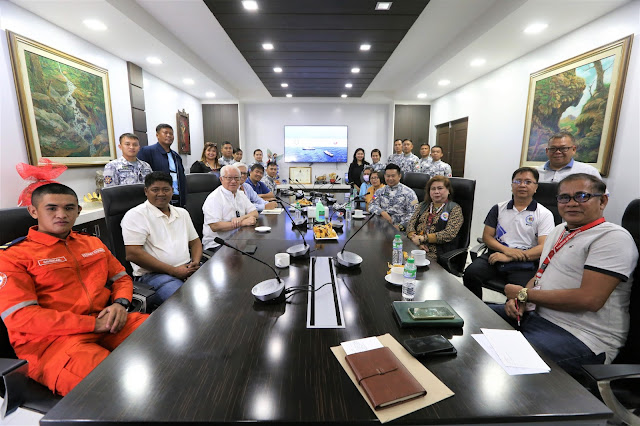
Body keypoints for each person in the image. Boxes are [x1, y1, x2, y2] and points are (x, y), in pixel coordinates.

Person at [0, 183, 148, 396]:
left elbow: (121, 278)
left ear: (78, 211)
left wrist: (121, 303)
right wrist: (91, 324)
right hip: (53, 344)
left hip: (107, 322)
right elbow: (22, 317)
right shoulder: (13, 257)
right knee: (117, 387)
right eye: (51, 208)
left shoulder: (92, 243)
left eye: (69, 208)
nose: (61, 214)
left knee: (164, 345)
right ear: (33, 211)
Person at [493, 174, 637, 383]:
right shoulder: (560, 230)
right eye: (564, 198)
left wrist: (524, 293)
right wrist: (520, 300)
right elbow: (540, 275)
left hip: (581, 336)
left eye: (581, 196)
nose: (571, 203)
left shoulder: (612, 238)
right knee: (472, 321)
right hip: (537, 316)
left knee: (500, 357)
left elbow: (589, 300)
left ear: (603, 201)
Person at [463, 167, 555, 299]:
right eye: (518, 181)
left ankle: (509, 317)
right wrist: (506, 250)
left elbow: (543, 247)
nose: (522, 185)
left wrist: (511, 257)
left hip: (525, 261)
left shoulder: (544, 214)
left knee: (518, 293)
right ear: (512, 186)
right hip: (496, 255)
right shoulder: (498, 208)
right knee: (470, 274)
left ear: (536, 187)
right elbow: (487, 237)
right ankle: (475, 309)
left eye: (528, 182)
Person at [121, 172, 202, 307]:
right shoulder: (135, 215)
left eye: (166, 189)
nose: (161, 194)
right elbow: (133, 254)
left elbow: (195, 242)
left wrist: (196, 262)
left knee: (217, 290)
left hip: (187, 267)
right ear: (146, 191)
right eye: (155, 190)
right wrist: (174, 271)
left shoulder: (182, 213)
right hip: (154, 275)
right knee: (186, 303)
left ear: (172, 190)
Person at [406, 176, 464, 261]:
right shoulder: (423, 205)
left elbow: (449, 233)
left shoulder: (454, 209)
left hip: (437, 252)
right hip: (416, 246)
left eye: (440, 188)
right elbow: (410, 224)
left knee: (412, 264)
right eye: (433, 189)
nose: (436, 192)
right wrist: (414, 239)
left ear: (448, 191)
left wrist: (423, 238)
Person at [202, 165, 259, 250]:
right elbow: (215, 226)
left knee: (259, 248)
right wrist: (242, 223)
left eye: (236, 178)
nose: (233, 181)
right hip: (218, 243)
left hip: (238, 238)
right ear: (221, 179)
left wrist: (241, 218)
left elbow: (254, 213)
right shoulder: (214, 198)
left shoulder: (240, 194)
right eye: (229, 178)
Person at [138, 123, 186, 206]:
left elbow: (182, 178)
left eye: (171, 134)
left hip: (177, 197)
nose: (169, 135)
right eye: (165, 133)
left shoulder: (176, 156)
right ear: (157, 135)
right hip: (158, 199)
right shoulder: (147, 151)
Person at [368, 164, 418, 231]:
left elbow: (414, 214)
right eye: (388, 176)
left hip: (401, 230)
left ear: (399, 176)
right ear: (384, 176)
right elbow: (372, 205)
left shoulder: (409, 193)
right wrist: (382, 212)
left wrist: (400, 226)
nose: (390, 179)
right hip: (382, 228)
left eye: (393, 176)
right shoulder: (379, 191)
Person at [537, 132, 602, 182]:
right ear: (547, 151)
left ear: (573, 150)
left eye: (563, 148)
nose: (558, 152)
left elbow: (601, 196)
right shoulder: (536, 173)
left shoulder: (588, 171)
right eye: (553, 148)